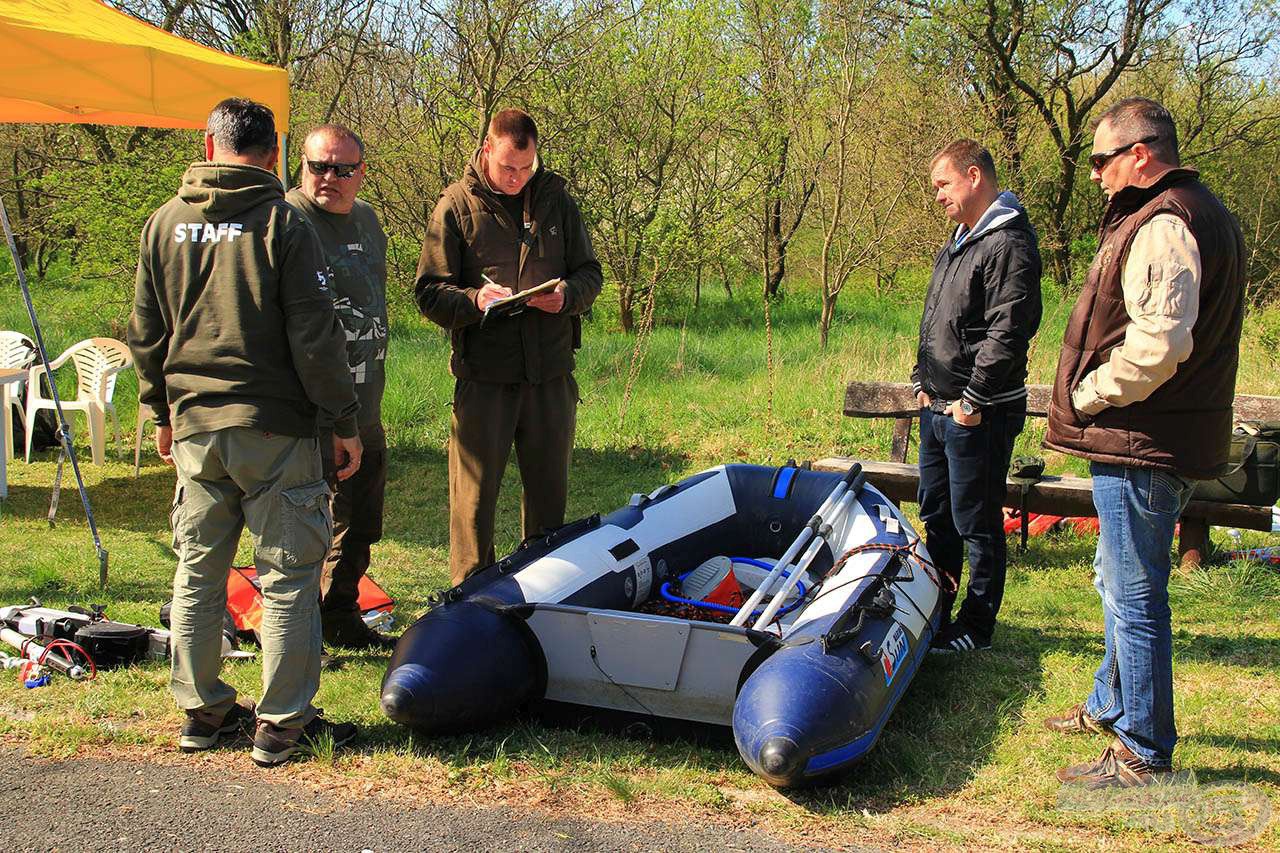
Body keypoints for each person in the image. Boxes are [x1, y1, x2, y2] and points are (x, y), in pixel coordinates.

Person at [128, 98, 363, 767]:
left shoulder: (164, 223)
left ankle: (202, 708)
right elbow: (315, 338)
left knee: (199, 567)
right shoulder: (285, 224)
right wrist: (342, 421)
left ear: (209, 145)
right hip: (274, 428)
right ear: (272, 156)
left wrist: (162, 411)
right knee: (288, 572)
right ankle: (285, 723)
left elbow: (145, 333)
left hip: (198, 424)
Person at [1043, 97, 1245, 787]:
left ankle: (1144, 754)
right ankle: (1111, 703)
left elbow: (1158, 346)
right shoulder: (1201, 210)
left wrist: (1090, 391)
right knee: (1120, 580)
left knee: (1134, 595)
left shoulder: (1165, 222)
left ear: (1140, 154)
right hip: (1162, 437)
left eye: (1102, 159)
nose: (1095, 174)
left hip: (1142, 438)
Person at [415, 108, 603, 586]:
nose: (516, 177)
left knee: (548, 503)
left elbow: (590, 274)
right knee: (473, 505)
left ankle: (544, 595)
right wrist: (476, 300)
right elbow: (429, 293)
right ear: (486, 153)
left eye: (525, 167)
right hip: (485, 380)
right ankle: (470, 600)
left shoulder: (557, 201)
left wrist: (566, 298)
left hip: (551, 376)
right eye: (506, 167)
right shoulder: (456, 206)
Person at [912, 139, 1043, 653]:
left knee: (977, 522)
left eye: (942, 185)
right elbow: (939, 317)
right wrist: (922, 381)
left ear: (973, 176)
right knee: (937, 515)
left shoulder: (1008, 242)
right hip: (938, 409)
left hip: (978, 414)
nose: (938, 196)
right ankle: (938, 610)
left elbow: (1009, 331)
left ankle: (977, 626)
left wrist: (972, 401)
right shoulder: (961, 237)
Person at [286, 124, 393, 650]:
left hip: (364, 402)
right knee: (307, 526)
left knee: (361, 519)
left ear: (360, 172)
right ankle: (298, 630)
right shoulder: (287, 220)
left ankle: (340, 612)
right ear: (300, 166)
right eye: (317, 166)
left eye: (342, 169)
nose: (329, 178)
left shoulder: (370, 221)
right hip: (311, 411)